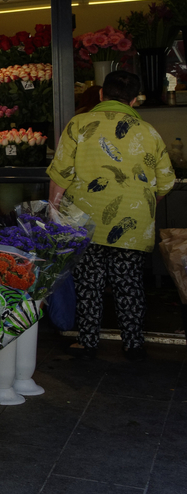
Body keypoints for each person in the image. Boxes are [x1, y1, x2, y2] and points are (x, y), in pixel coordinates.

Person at [47, 70, 176, 361]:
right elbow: (166, 182)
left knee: (88, 281)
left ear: (102, 94)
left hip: (85, 221)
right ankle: (134, 344)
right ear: (134, 100)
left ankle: (87, 341)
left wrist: (54, 214)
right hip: (133, 226)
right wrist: (143, 203)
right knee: (128, 282)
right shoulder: (149, 131)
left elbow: (60, 175)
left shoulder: (79, 124)